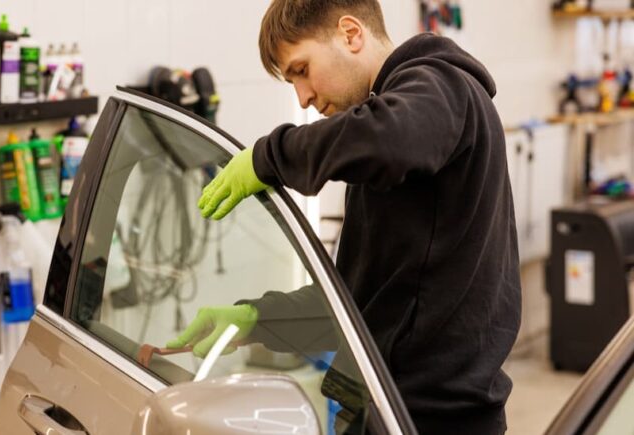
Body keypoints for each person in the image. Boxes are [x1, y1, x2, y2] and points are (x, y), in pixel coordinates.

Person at [167, 1, 521, 433]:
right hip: (384, 405)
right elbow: (366, 301)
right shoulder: (399, 120)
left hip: (429, 420)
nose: (303, 97)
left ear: (351, 34)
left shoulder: (442, 85)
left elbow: (390, 138)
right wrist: (259, 318)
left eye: (301, 70)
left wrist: (269, 156)